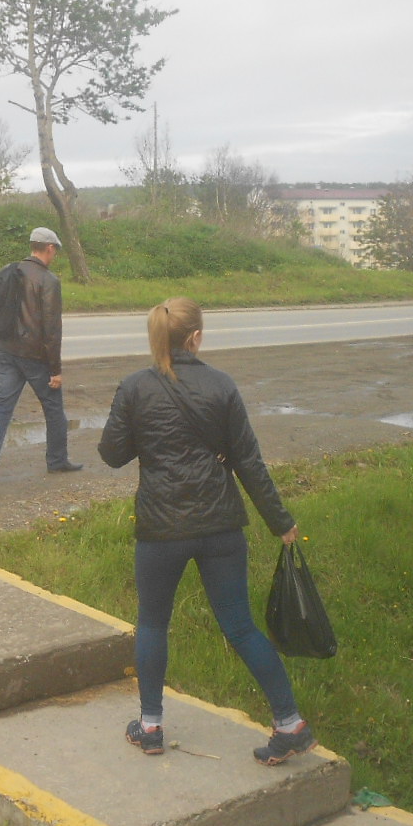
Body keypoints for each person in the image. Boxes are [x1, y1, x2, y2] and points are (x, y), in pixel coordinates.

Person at [98, 297, 317, 766]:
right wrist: (281, 522)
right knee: (239, 625)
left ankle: (151, 726)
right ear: (195, 337)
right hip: (220, 525)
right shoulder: (221, 386)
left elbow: (111, 453)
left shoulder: (135, 388)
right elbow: (249, 463)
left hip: (161, 528)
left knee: (154, 622)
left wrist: (150, 439)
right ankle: (289, 723)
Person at [0, 227, 82, 482]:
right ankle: (57, 460)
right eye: (55, 251)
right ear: (50, 248)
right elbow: (52, 329)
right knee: (53, 407)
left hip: (5, 349)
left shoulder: (11, 270)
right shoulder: (48, 280)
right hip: (34, 356)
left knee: (2, 406)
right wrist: (55, 370)